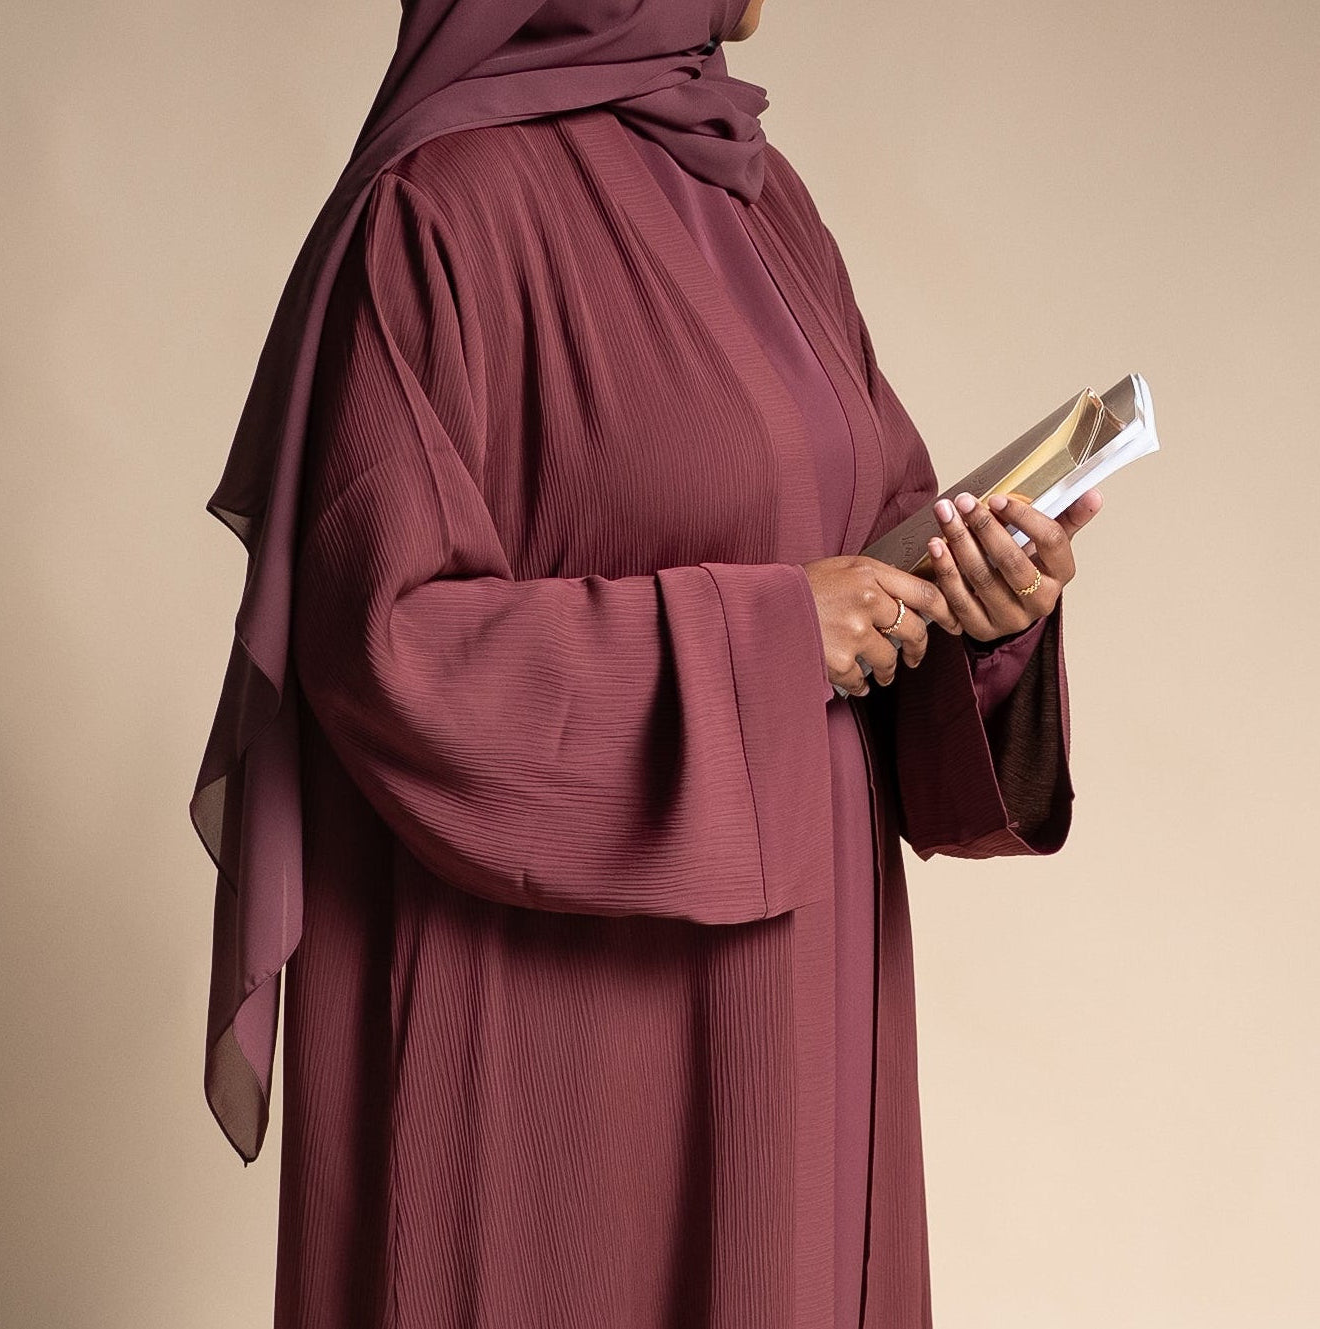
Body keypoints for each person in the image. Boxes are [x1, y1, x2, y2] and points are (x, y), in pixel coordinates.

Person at [188, 2, 1101, 1325]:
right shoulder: (435, 211)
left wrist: (984, 605)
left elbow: (870, 556)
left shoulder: (760, 198)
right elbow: (384, 648)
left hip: (791, 991)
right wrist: (775, 634)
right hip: (549, 1044)